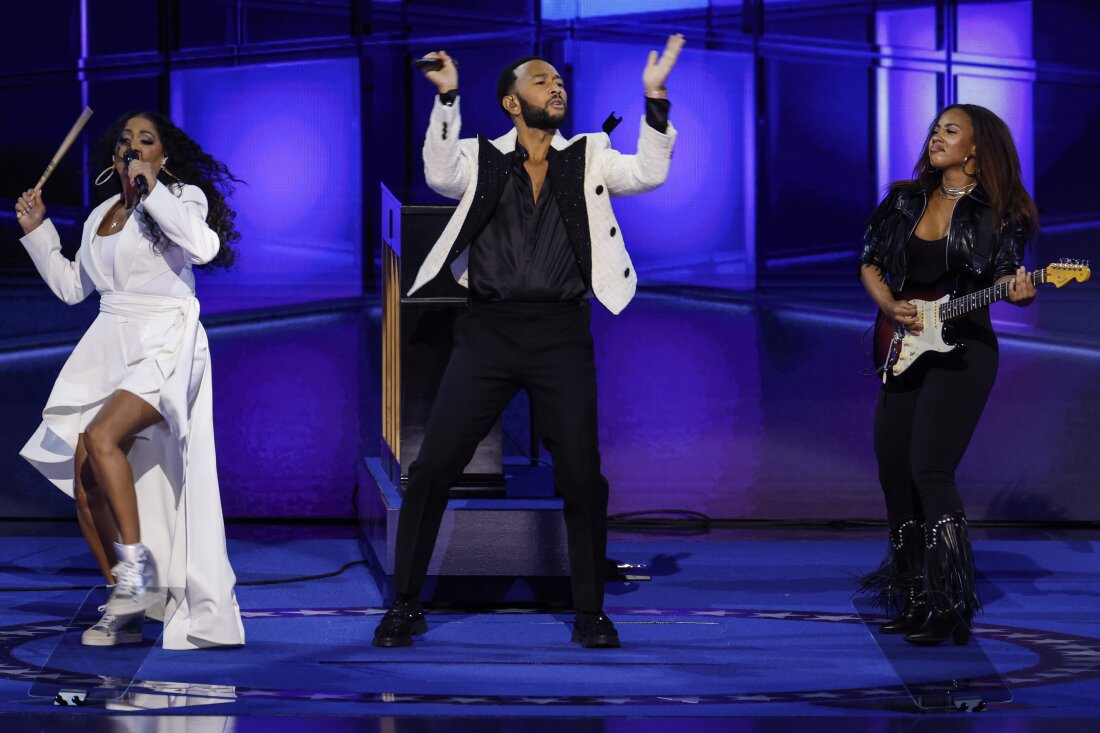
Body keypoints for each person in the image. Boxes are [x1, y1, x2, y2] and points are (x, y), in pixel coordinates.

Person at [373, 35, 685, 649]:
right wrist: (448, 98)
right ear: (512, 102)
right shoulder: (481, 157)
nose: (556, 88)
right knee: (434, 466)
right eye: (541, 81)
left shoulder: (589, 155)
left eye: (559, 81)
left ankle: (590, 611)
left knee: (581, 475)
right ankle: (406, 603)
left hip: (561, 335)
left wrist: (654, 100)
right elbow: (437, 175)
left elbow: (649, 171)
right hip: (487, 333)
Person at [15, 111, 246, 650]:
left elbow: (203, 247)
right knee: (84, 477)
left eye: (147, 141)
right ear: (113, 154)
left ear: (163, 157)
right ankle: (125, 599)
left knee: (101, 438)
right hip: (111, 344)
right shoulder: (101, 215)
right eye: (126, 141)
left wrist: (153, 189)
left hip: (167, 339)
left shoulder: (181, 197)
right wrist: (38, 232)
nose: (134, 147)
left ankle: (138, 576)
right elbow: (75, 287)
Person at [858, 104, 1038, 645]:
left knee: (929, 471)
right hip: (905, 343)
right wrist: (890, 305)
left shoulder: (1001, 212)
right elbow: (869, 261)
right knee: (894, 469)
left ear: (977, 148)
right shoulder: (904, 198)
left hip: (965, 353)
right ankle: (913, 593)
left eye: (951, 131)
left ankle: (950, 603)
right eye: (935, 129)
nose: (938, 137)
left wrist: (1020, 289)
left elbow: (1008, 273)